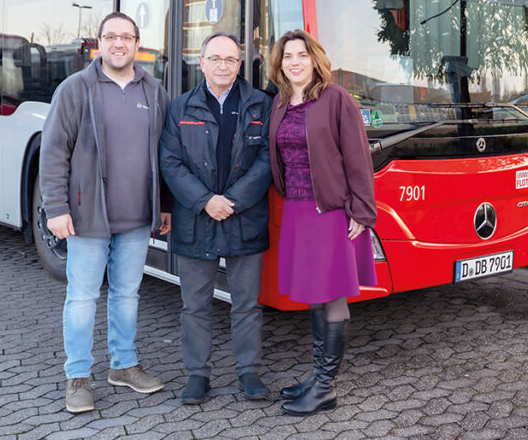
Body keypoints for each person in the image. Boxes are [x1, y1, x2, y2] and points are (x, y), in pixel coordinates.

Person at [40, 11, 171, 414]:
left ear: (137, 44)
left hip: (135, 219)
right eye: (110, 36)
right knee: (81, 298)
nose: (118, 43)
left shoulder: (154, 90)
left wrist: (163, 206)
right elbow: (53, 152)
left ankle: (124, 365)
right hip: (86, 217)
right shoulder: (75, 89)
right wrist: (56, 208)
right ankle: (77, 377)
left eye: (126, 37)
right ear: (100, 43)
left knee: (127, 295)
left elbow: (166, 154)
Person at [267, 29, 378, 416]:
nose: (294, 61)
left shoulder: (335, 99)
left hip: (330, 212)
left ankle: (327, 387)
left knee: (332, 296)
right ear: (279, 64)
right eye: (287, 56)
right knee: (316, 294)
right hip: (298, 211)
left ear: (315, 59)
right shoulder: (281, 103)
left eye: (302, 54)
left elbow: (357, 156)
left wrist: (363, 212)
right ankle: (317, 377)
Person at [160, 31, 273, 404]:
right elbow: (170, 162)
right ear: (202, 62)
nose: (223, 65)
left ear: (240, 65)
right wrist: (206, 200)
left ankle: (248, 371)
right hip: (197, 219)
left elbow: (267, 161)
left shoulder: (261, 105)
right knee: (195, 304)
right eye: (215, 59)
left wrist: (234, 201)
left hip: (245, 217)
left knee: (247, 304)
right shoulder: (180, 107)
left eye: (230, 59)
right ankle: (197, 375)